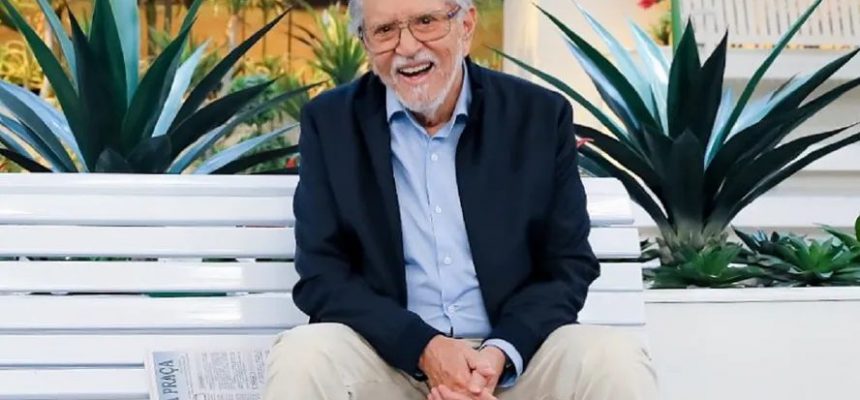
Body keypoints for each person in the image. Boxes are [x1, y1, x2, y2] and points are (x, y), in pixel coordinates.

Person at [264, 0, 658, 399]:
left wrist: (499, 353)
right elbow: (323, 275)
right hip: (390, 361)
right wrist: (424, 348)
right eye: (384, 31)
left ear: (466, 25)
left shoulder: (538, 115)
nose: (407, 46)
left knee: (613, 359)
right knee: (304, 355)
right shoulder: (331, 123)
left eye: (426, 21)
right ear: (365, 42)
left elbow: (567, 265)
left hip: (516, 362)